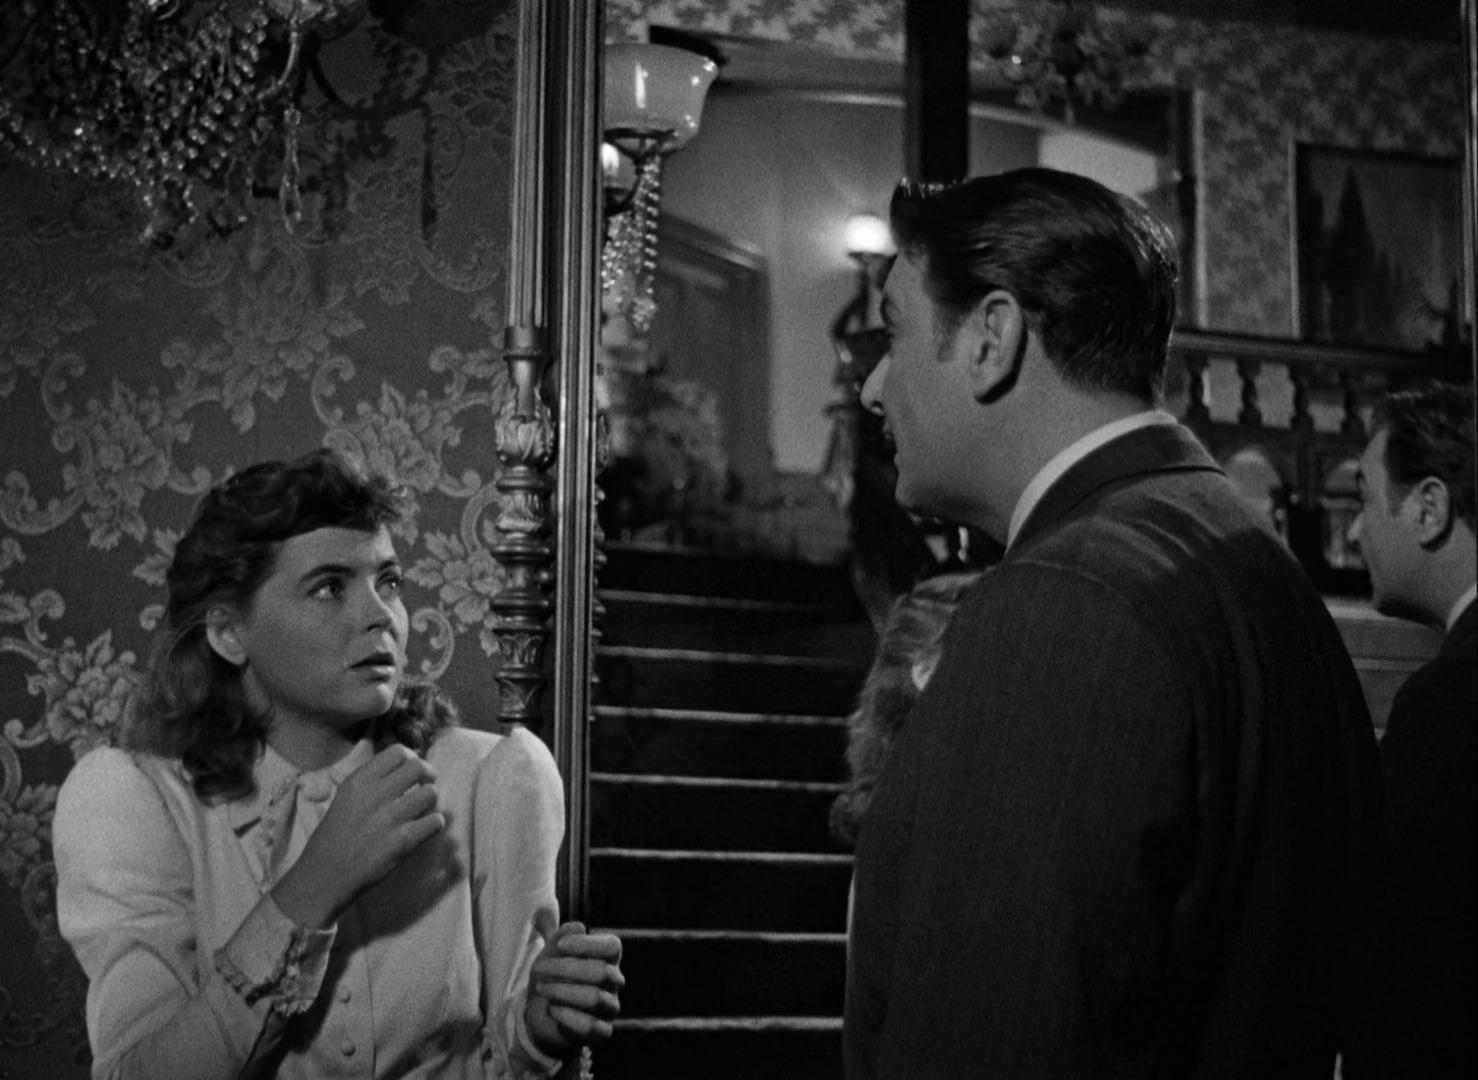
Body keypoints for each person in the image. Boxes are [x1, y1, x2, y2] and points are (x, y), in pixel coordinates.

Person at [844, 169, 1380, 1078]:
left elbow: (996, 1042)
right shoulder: (1253, 565)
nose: (873, 387)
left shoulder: (1061, 604)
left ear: (991, 339)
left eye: (894, 333)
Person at [53, 449, 623, 1080]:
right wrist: (313, 887)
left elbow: (500, 1059)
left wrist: (537, 1032)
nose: (380, 616)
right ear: (229, 632)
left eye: (389, 582)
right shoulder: (135, 802)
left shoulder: (493, 778)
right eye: (329, 587)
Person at [1341, 381, 1475, 1079]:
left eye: (1364, 500)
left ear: (1429, 508)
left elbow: (1407, 979)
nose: (1354, 533)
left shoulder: (1447, 706)